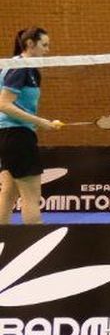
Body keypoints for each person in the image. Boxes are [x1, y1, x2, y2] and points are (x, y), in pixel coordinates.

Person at [0, 28, 64, 226]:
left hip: (9, 135)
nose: (47, 49)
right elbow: (3, 104)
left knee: (8, 194)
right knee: (31, 196)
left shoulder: (26, 68)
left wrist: (38, 122)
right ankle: (35, 238)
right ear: (29, 44)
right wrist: (40, 122)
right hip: (16, 136)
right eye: (44, 45)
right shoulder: (20, 67)